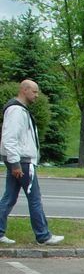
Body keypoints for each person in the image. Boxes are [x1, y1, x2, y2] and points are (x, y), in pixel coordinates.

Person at [0, 79, 64, 245]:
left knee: (9, 197)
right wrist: (15, 164)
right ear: (24, 90)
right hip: (23, 162)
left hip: (19, 160)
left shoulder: (19, 110)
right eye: (34, 92)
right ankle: (43, 235)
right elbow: (9, 138)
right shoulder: (16, 111)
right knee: (34, 198)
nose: (37, 95)